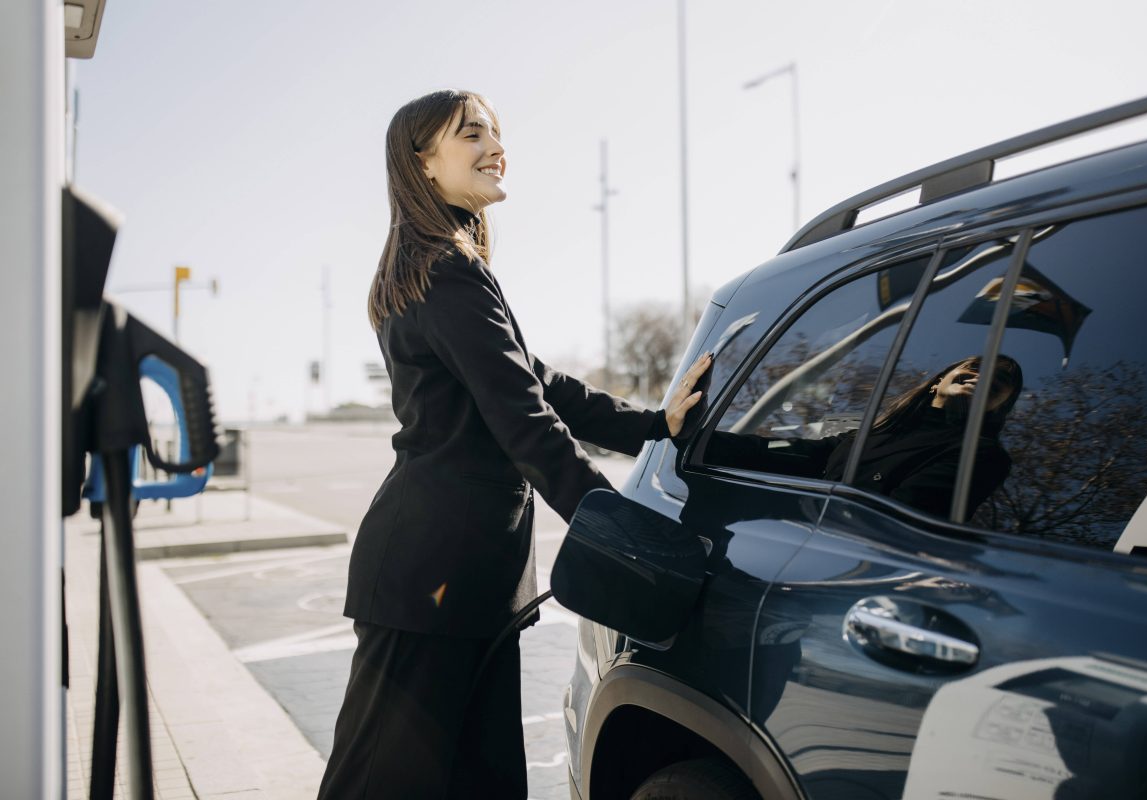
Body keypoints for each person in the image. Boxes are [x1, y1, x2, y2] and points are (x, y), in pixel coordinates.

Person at [317, 89, 712, 799]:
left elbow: (539, 382)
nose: (496, 146)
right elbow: (526, 421)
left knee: (486, 784)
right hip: (429, 581)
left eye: (496, 133)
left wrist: (655, 424)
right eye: (473, 135)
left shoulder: (445, 268)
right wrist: (627, 538)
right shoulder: (445, 271)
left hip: (466, 582)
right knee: (380, 786)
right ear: (424, 163)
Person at [708, 355, 1023, 518]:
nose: (982, 376)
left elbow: (898, 521)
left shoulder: (982, 456)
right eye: (977, 366)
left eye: (1000, 380)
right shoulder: (872, 434)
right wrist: (685, 434)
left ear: (998, 408)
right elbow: (782, 449)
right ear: (937, 382)